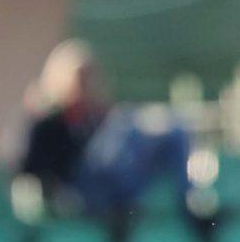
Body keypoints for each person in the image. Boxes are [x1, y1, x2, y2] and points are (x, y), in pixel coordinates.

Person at [16, 40, 191, 222]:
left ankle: (182, 203)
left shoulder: (94, 116)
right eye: (80, 77)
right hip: (75, 190)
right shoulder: (45, 121)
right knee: (124, 126)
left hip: (109, 183)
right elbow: (27, 166)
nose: (86, 85)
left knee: (173, 132)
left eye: (89, 77)